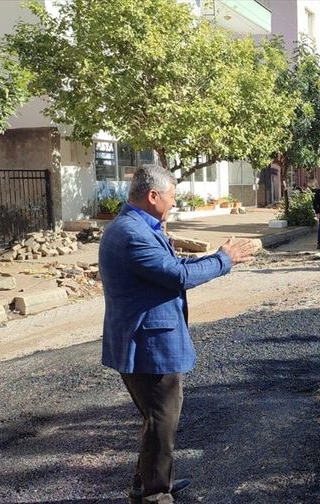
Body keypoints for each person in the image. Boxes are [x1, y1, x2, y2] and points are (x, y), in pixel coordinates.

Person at [99, 165, 257, 502]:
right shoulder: (132, 233)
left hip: (143, 342)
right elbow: (177, 277)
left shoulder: (137, 226)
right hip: (148, 347)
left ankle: (149, 483)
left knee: (155, 420)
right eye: (171, 196)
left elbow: (172, 268)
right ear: (153, 195)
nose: (173, 203)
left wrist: (215, 259)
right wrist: (224, 260)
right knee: (161, 422)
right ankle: (156, 494)